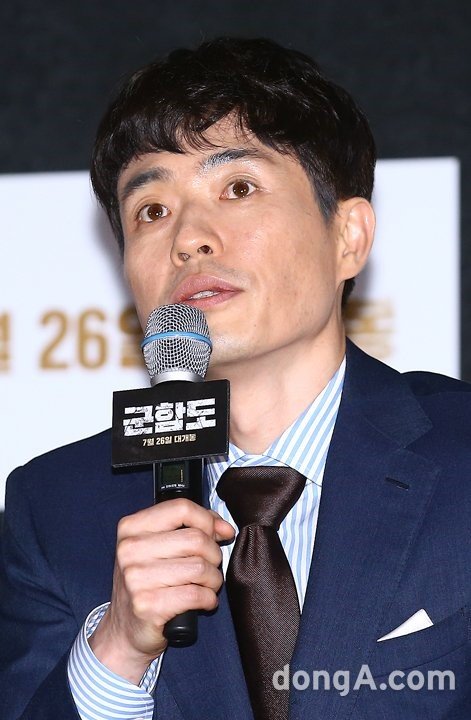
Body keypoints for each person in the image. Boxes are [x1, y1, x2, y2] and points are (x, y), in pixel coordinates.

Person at [0, 36, 470, 720]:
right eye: (151, 210)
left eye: (238, 188)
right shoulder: (53, 509)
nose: (189, 238)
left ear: (348, 237)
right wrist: (117, 654)